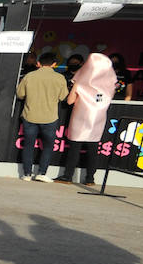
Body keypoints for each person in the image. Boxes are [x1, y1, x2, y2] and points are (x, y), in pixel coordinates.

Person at [57, 52, 118, 187]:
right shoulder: (110, 86)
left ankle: (68, 176)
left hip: (79, 118)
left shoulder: (80, 83)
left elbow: (70, 101)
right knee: (93, 149)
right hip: (98, 119)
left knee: (74, 148)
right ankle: (90, 178)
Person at [16, 52, 69, 181]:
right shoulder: (60, 78)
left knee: (28, 145)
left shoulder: (29, 76)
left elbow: (20, 94)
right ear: (55, 64)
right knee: (48, 146)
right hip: (50, 117)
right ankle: (42, 173)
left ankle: (27, 174)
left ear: (38, 63)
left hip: (30, 116)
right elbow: (63, 97)